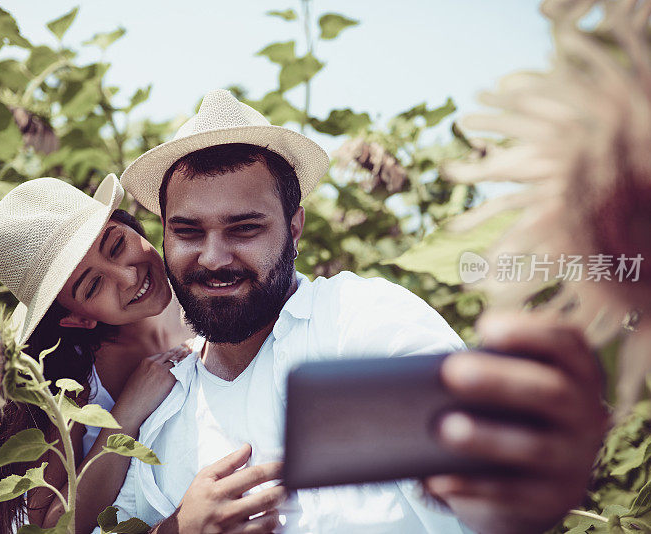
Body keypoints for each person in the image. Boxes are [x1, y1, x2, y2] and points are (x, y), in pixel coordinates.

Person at [100, 89, 608, 534]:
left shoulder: (360, 321)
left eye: (244, 228)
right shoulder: (162, 408)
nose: (213, 257)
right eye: (188, 232)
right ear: (163, 234)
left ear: (294, 229)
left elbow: (479, 465)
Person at [0, 175, 285, 534]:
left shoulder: (219, 286)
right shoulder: (70, 383)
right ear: (77, 317)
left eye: (116, 245)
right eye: (92, 285)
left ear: (129, 224)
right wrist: (125, 415)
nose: (127, 276)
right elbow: (48, 527)